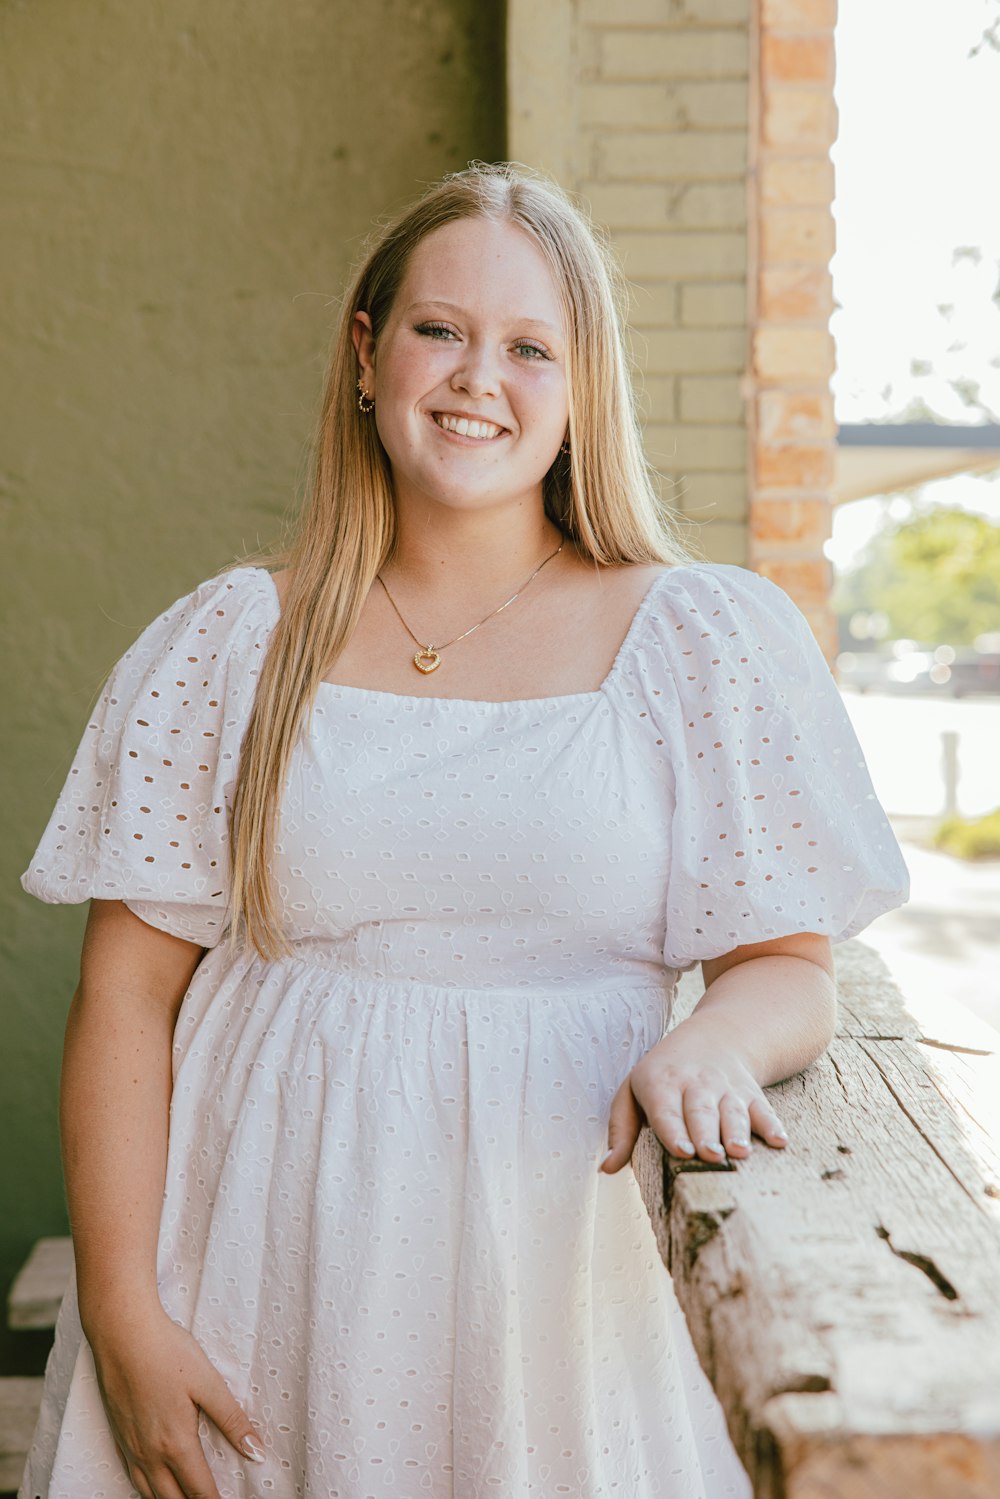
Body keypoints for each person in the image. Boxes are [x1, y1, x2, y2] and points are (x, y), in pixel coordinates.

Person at [19, 161, 908, 1499]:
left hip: (568, 1273)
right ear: (369, 355)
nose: (475, 377)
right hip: (265, 1247)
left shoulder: (701, 640)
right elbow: (127, 996)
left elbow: (788, 968)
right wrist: (126, 1313)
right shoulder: (232, 641)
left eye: (529, 347)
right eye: (439, 330)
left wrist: (714, 1039)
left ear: (583, 386)